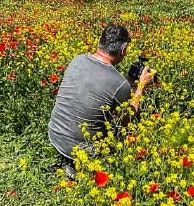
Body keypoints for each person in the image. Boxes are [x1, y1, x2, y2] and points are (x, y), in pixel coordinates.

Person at [47, 24, 155, 177]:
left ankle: (67, 162)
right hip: (81, 149)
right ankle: (79, 169)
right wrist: (141, 86)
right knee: (126, 134)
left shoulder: (78, 59)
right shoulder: (119, 84)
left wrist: (129, 81)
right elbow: (126, 120)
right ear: (123, 49)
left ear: (100, 41)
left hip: (55, 135)